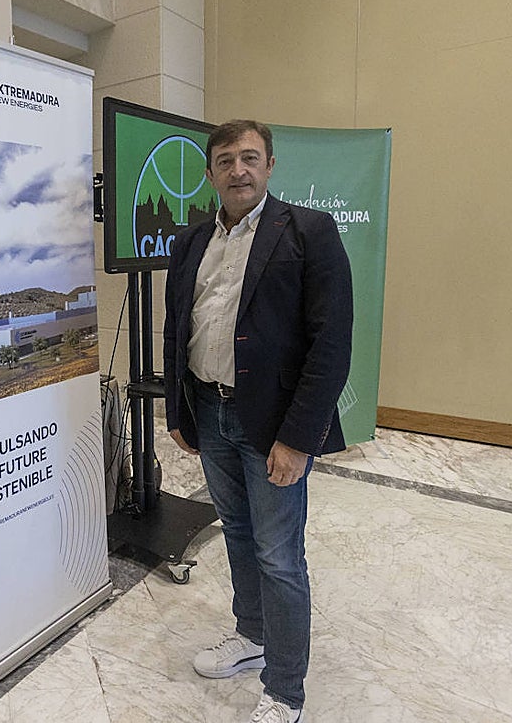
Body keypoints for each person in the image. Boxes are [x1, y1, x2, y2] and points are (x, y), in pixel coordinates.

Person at [162, 119, 353, 723]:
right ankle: (252, 636)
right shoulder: (192, 241)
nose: (238, 170)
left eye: (250, 158)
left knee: (279, 556)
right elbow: (177, 330)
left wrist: (299, 439)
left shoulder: (308, 232)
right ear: (211, 173)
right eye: (225, 160)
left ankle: (285, 690)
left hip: (273, 425)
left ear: (270, 165)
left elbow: (332, 342)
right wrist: (178, 410)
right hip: (211, 412)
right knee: (238, 538)